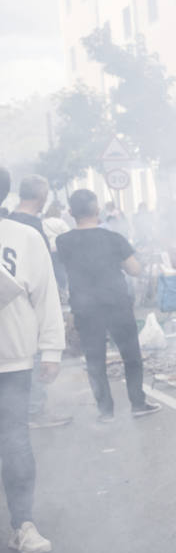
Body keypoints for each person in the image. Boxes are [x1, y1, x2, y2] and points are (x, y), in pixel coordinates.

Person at [0, 169, 65, 553]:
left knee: (15, 442)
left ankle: (22, 524)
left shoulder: (24, 237)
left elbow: (46, 295)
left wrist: (52, 349)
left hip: (12, 360)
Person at [56, 190, 160, 422]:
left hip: (84, 308)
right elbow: (134, 269)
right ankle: (137, 404)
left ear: (71, 212)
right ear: (98, 210)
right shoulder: (113, 239)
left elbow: (66, 270)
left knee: (95, 359)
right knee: (131, 355)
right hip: (116, 304)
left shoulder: (63, 242)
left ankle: (105, 411)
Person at [6, 177, 72, 429]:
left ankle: (27, 411)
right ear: (42, 196)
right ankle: (34, 410)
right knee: (32, 355)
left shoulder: (9, 222)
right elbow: (42, 278)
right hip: (28, 306)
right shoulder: (31, 229)